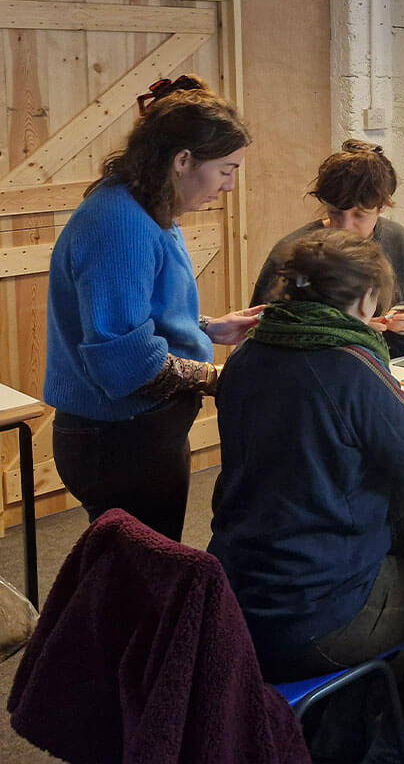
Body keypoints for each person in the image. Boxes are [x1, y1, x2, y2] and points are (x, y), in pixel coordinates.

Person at [210, 228, 404, 734]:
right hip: (312, 612)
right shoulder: (348, 363)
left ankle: (376, 686)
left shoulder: (250, 354)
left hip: (236, 588)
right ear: (367, 298)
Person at [44, 75, 262, 543]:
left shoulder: (146, 206)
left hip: (133, 433)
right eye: (226, 169)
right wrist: (220, 380)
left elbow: (128, 318)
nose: (228, 186)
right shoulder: (120, 224)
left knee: (138, 577)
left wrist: (206, 328)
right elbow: (125, 364)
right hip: (119, 441)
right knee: (141, 586)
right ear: (183, 160)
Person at [251, 140, 404, 357]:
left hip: (384, 369)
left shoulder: (397, 240)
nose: (345, 227)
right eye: (335, 212)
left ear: (383, 205)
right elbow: (262, 326)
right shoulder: (296, 251)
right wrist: (351, 333)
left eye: (359, 215)